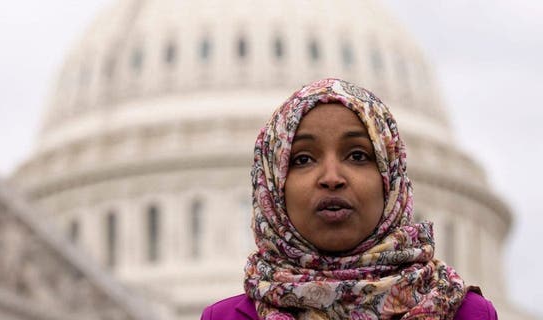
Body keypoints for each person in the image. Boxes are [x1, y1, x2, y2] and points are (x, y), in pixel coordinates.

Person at [201, 78, 497, 320]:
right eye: (303, 159)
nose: (331, 177)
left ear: (390, 180)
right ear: (274, 188)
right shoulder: (227, 317)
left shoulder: (466, 314)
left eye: (357, 156)